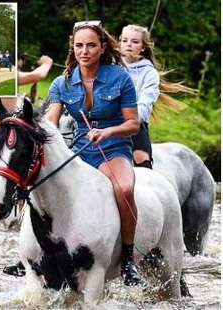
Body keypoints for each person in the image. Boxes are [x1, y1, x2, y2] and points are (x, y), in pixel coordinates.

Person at [46, 21, 141, 286]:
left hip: (113, 149)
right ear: (72, 48)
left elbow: (133, 124)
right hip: (79, 150)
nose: (84, 51)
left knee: (125, 189)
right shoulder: (61, 83)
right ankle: (36, 255)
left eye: (90, 45)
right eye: (79, 45)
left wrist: (108, 132)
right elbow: (51, 125)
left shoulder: (120, 77)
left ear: (101, 48)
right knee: (39, 186)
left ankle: (129, 257)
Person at [119, 25, 194, 169]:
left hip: (134, 126)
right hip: (105, 123)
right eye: (125, 40)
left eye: (135, 42)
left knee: (141, 161)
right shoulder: (110, 67)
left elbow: (144, 105)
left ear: (143, 47)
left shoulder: (149, 73)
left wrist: (129, 120)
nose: (129, 44)